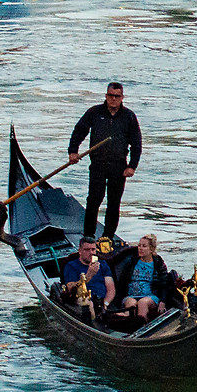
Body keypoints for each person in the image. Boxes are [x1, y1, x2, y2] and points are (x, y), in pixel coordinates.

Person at [67, 83, 143, 241]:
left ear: (122, 98)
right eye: (110, 96)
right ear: (106, 96)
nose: (113, 99)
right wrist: (73, 151)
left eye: (117, 96)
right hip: (98, 165)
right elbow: (79, 130)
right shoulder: (94, 112)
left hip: (119, 166)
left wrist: (132, 166)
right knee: (93, 200)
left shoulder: (129, 116)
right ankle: (88, 236)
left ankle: (107, 237)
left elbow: (136, 143)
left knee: (114, 203)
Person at [112, 233, 170, 325]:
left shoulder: (158, 263)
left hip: (150, 296)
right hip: (131, 296)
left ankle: (142, 325)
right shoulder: (132, 262)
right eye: (139, 246)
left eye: (144, 246)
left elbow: (165, 284)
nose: (140, 248)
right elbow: (122, 282)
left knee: (142, 303)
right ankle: (124, 322)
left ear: (151, 249)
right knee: (131, 304)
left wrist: (163, 301)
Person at [58, 240, 116, 323]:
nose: (91, 253)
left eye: (93, 249)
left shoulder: (102, 264)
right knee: (88, 304)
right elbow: (70, 287)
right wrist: (89, 275)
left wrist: (105, 304)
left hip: (102, 301)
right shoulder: (71, 266)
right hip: (83, 299)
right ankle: (95, 327)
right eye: (87, 250)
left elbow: (111, 289)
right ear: (80, 251)